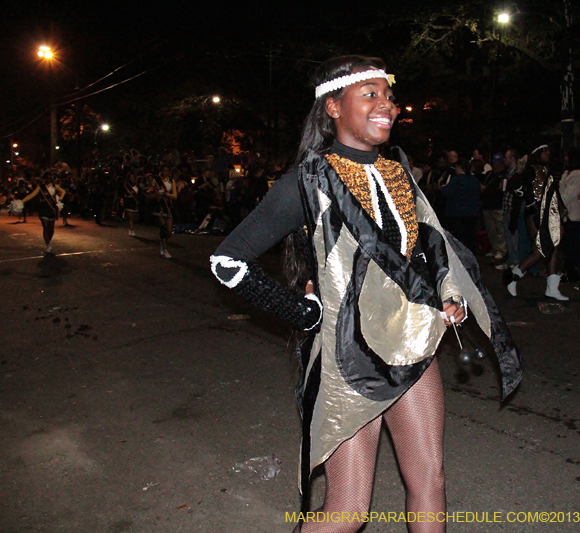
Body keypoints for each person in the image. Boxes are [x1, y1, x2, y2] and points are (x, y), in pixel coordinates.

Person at [209, 55, 522, 533]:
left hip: (413, 344)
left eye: (389, 96)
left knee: (430, 482)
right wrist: (302, 313)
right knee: (348, 513)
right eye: (370, 94)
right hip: (347, 360)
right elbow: (226, 262)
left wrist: (446, 293)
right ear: (333, 107)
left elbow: (429, 244)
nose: (387, 106)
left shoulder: (399, 173)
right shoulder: (307, 181)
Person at [503, 144, 568, 300]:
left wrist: (561, 208)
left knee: (552, 247)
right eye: (545, 151)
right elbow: (516, 184)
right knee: (542, 249)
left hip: (548, 214)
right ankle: (515, 275)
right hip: (538, 215)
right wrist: (531, 204)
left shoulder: (544, 170)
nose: (548, 153)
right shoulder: (532, 170)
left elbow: (552, 192)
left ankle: (552, 287)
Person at [559, 147, 580, 282]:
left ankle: (572, 270)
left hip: (574, 213)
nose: (565, 159)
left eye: (567, 156)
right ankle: (568, 269)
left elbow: (571, 194)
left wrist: (559, 203)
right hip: (566, 213)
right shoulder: (567, 173)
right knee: (567, 244)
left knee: (572, 244)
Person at [440, 158, 481, 252]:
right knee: (469, 238)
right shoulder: (474, 180)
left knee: (458, 238)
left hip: (457, 214)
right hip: (472, 213)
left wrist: (442, 188)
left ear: (459, 167)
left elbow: (446, 192)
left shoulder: (456, 180)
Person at [20, 173, 65, 253]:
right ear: (44, 179)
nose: (48, 179)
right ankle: (47, 244)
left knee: (51, 229)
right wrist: (22, 201)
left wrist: (59, 199)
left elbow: (63, 191)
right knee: (46, 227)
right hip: (43, 209)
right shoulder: (40, 187)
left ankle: (49, 241)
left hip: (52, 209)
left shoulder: (54, 186)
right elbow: (32, 195)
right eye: (47, 178)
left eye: (50, 178)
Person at [481, 153, 507, 261]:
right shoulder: (489, 174)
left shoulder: (504, 175)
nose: (496, 166)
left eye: (498, 163)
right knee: (491, 229)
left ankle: (501, 250)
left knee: (500, 230)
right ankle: (495, 248)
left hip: (498, 205)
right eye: (494, 163)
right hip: (488, 205)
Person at [148, 164, 177, 258]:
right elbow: (151, 193)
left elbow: (175, 195)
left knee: (169, 230)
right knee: (163, 228)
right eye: (163, 170)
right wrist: (156, 193)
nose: (165, 172)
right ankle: (165, 249)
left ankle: (162, 243)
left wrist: (165, 194)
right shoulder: (156, 181)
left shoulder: (171, 181)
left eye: (167, 170)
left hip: (167, 207)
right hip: (159, 206)